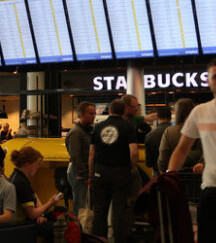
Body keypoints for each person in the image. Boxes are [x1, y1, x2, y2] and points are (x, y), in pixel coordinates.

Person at [167, 58, 216, 243]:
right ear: (208, 81)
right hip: (211, 192)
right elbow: (181, 149)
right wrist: (169, 176)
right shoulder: (200, 112)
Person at [89, 99, 138, 243]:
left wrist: (91, 175)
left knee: (99, 209)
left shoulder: (98, 127)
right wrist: (132, 167)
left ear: (109, 110)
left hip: (100, 172)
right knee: (119, 209)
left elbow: (92, 154)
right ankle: (119, 238)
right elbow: (134, 152)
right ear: (124, 111)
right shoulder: (128, 127)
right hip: (121, 172)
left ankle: (99, 238)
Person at [9, 146, 59, 241]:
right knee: (62, 228)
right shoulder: (21, 182)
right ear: (28, 164)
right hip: (24, 225)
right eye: (37, 164)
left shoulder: (17, 176)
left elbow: (34, 197)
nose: (38, 167)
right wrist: (50, 203)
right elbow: (31, 214)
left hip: (26, 221)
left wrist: (41, 214)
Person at [65, 101, 96, 216]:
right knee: (80, 205)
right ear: (81, 114)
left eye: (94, 113)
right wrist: (84, 175)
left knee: (85, 205)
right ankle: (78, 230)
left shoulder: (87, 131)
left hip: (84, 172)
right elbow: (75, 156)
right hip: (79, 172)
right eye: (90, 113)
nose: (94, 116)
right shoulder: (76, 133)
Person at [158, 99, 201, 173]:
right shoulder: (201, 130)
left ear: (177, 113)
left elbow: (163, 158)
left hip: (175, 174)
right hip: (198, 175)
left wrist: (164, 172)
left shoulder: (169, 132)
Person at [144, 107, 172, 175]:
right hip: (174, 171)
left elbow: (149, 163)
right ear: (170, 117)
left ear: (157, 118)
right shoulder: (176, 132)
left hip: (158, 172)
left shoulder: (149, 135)